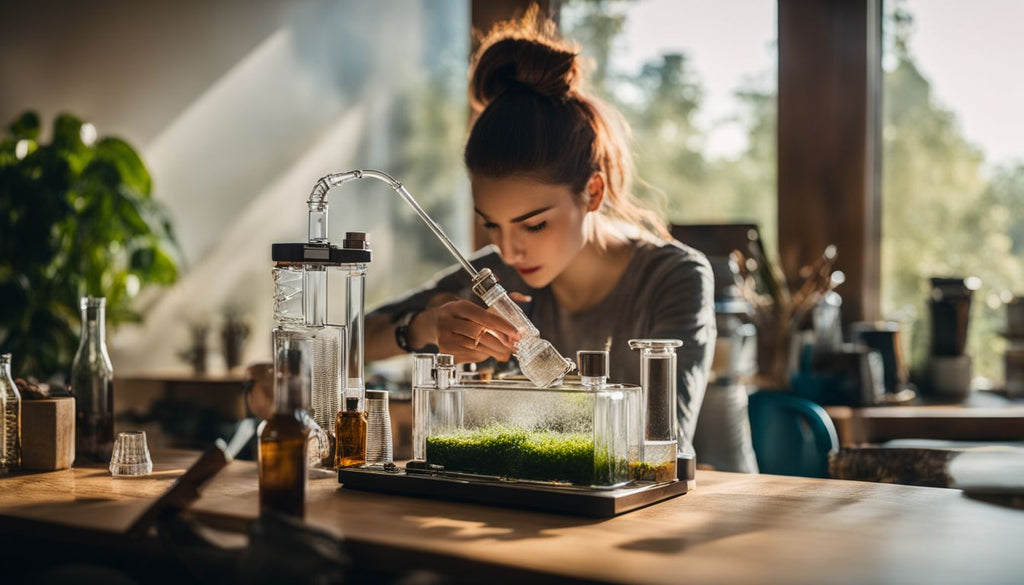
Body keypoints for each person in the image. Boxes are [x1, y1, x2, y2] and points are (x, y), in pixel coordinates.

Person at [364, 11, 715, 452]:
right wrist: (424, 327)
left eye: (534, 224)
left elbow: (666, 442)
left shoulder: (673, 277)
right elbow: (357, 337)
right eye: (491, 223)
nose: (509, 250)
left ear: (591, 191)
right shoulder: (497, 280)